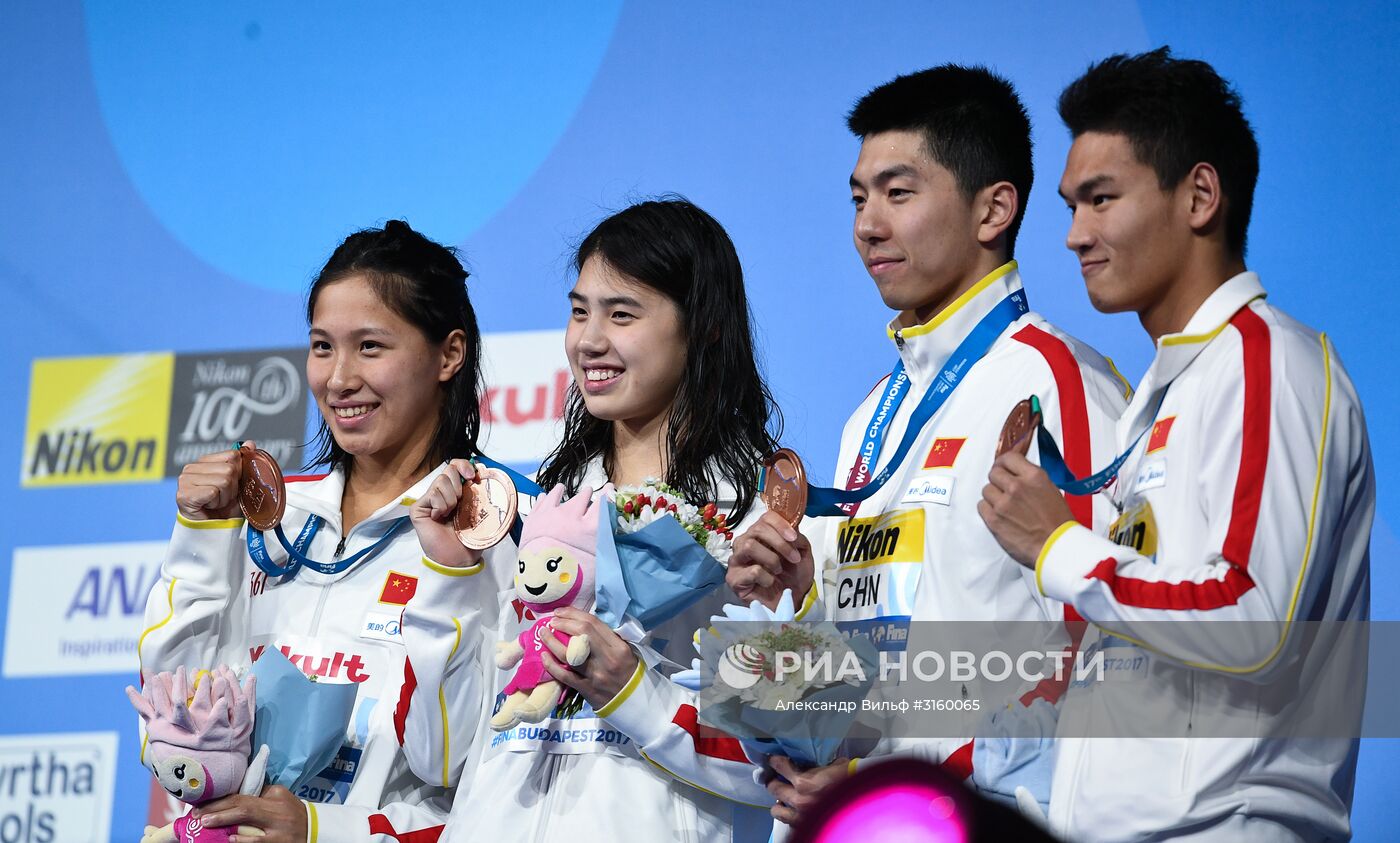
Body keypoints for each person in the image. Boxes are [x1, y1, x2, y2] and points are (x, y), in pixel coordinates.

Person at [979, 47, 1373, 841]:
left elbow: (1250, 615)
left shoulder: (1267, 361)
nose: (1073, 235)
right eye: (1070, 205)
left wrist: (1059, 547)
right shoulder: (1168, 388)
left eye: (1100, 199)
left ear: (1199, 195)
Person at [725, 64, 1131, 828]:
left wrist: (886, 781)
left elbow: (1101, 653)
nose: (867, 224)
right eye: (858, 197)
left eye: (898, 192)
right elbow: (881, 667)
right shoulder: (869, 417)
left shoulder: (1058, 384)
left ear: (993, 210)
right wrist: (800, 593)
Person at [400, 197, 783, 841]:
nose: (589, 340)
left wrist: (634, 691)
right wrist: (448, 573)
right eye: (579, 311)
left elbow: (795, 758)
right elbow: (437, 757)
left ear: (704, 328)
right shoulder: (537, 510)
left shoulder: (765, 513)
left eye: (622, 314)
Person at [137, 220, 505, 842]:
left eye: (370, 347)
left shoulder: (501, 527)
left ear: (449, 354)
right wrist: (199, 539)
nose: (337, 380)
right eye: (322, 346)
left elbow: (464, 772)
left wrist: (319, 830)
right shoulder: (269, 512)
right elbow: (175, 724)